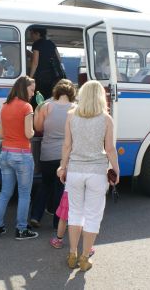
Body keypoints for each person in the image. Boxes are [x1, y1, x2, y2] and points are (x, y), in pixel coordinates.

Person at [57, 80, 120, 271]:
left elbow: (67, 145)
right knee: (92, 216)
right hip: (96, 173)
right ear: (101, 97)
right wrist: (116, 170)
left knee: (75, 214)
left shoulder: (71, 116)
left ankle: (72, 253)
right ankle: (85, 258)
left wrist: (62, 166)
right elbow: (109, 149)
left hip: (75, 171)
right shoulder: (106, 119)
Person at [0, 76, 39, 240]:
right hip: (22, 154)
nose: (33, 93)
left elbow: (1, 134)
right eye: (32, 89)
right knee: (25, 194)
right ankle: (21, 229)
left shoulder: (5, 106)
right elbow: (28, 133)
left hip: (5, 153)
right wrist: (35, 129)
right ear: (24, 88)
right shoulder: (27, 107)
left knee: (5, 192)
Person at [30, 79, 76, 230]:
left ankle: (36, 216)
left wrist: (38, 111)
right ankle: (58, 223)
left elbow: (38, 127)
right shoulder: (76, 108)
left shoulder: (46, 106)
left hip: (47, 153)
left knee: (45, 184)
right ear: (71, 92)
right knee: (61, 188)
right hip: (66, 155)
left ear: (56, 90)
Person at [29, 27, 63, 101]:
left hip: (41, 78)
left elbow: (35, 62)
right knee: (50, 99)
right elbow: (59, 59)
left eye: (32, 34)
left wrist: (30, 78)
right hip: (53, 78)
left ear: (37, 34)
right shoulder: (51, 43)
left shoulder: (36, 44)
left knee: (39, 100)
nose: (31, 36)